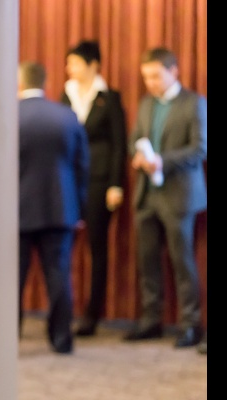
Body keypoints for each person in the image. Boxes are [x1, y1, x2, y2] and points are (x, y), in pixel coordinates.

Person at [124, 47, 206, 348]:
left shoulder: (194, 103)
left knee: (181, 261)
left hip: (179, 195)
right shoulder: (146, 103)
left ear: (174, 72)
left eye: (156, 76)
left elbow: (200, 149)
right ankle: (151, 320)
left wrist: (162, 161)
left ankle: (190, 324)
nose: (151, 83)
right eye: (146, 77)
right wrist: (137, 156)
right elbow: (135, 139)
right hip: (147, 194)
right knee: (147, 261)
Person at [18, 61, 89, 354]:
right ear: (46, 84)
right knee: (59, 276)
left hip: (17, 212)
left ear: (20, 83)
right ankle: (61, 339)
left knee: (13, 279)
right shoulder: (67, 116)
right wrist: (79, 209)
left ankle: (8, 339)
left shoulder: (9, 115)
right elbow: (82, 166)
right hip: (60, 210)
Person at [59, 40, 127, 337]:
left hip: (99, 182)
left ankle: (91, 315)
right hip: (68, 181)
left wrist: (116, 184)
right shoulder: (66, 94)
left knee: (97, 247)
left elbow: (119, 144)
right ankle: (63, 313)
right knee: (62, 248)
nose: (69, 68)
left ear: (93, 65)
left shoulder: (109, 97)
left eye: (75, 63)